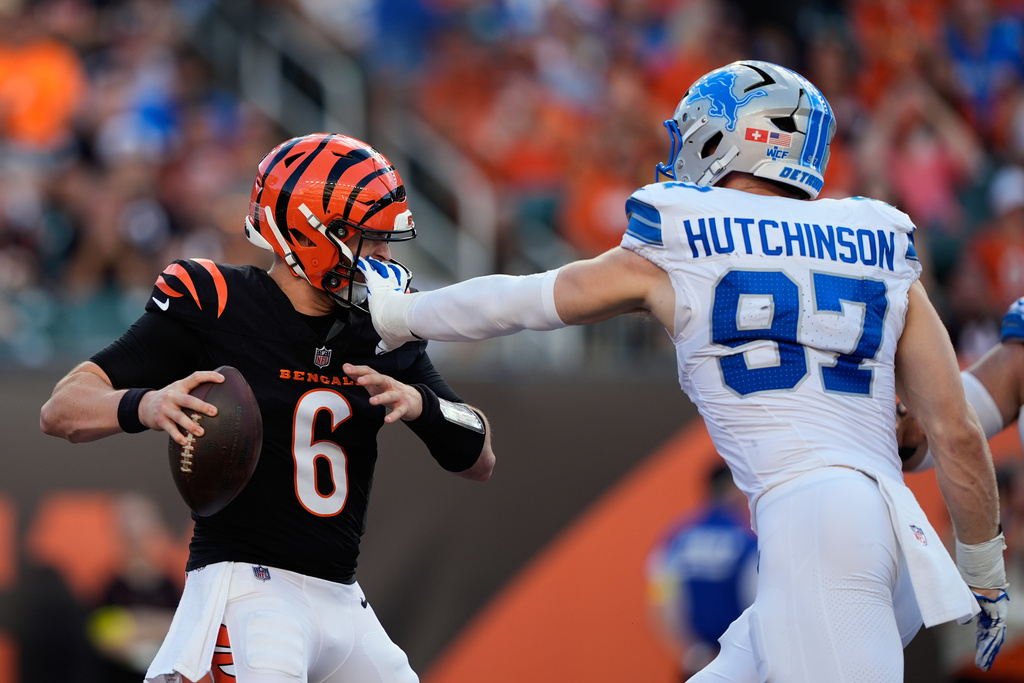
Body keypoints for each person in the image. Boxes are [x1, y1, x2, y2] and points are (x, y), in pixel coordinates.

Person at [356, 60, 1008, 681]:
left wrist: (400, 314)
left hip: (813, 522)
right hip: (888, 530)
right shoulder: (878, 236)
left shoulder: (686, 230)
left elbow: (527, 300)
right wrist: (984, 568)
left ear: (739, 136)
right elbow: (952, 428)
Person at [39, 132, 496, 683]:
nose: (384, 258)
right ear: (309, 233)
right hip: (251, 589)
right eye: (367, 240)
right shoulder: (218, 300)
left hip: (343, 598)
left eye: (385, 241)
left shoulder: (379, 332)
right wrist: (147, 403)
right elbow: (62, 410)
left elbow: (479, 458)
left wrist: (422, 405)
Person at [645, 463, 757, 680]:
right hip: (741, 662)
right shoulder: (748, 538)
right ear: (734, 489)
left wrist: (690, 652)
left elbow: (660, 604)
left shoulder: (676, 539)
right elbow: (759, 600)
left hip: (698, 662)